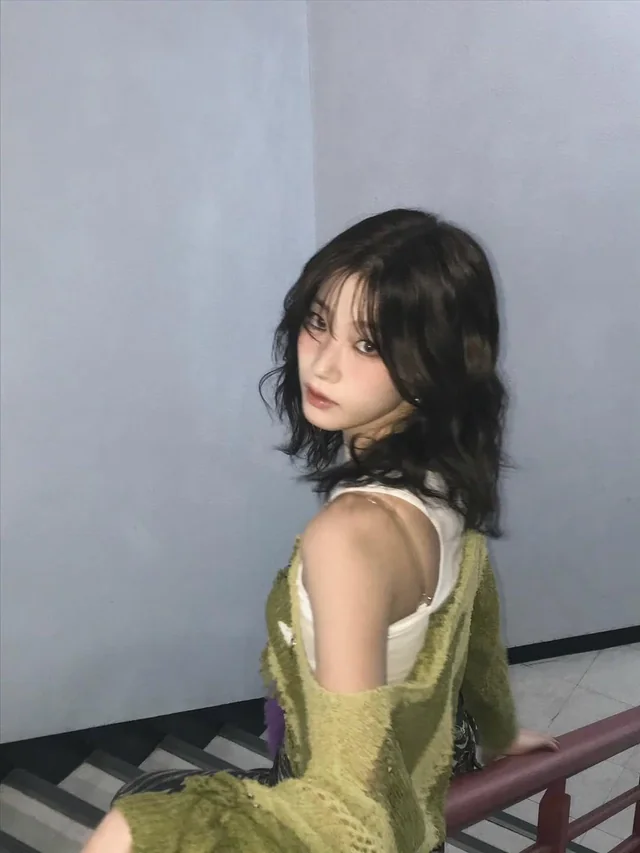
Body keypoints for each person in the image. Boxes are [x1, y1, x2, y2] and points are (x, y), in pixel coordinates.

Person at [83, 209, 556, 853]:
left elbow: (346, 815)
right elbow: (476, 615)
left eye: (369, 345)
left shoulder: (348, 539)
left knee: (145, 803)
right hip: (411, 795)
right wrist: (497, 733)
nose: (323, 366)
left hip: (353, 802)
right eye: (318, 322)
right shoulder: (446, 480)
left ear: (438, 361)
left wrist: (140, 832)